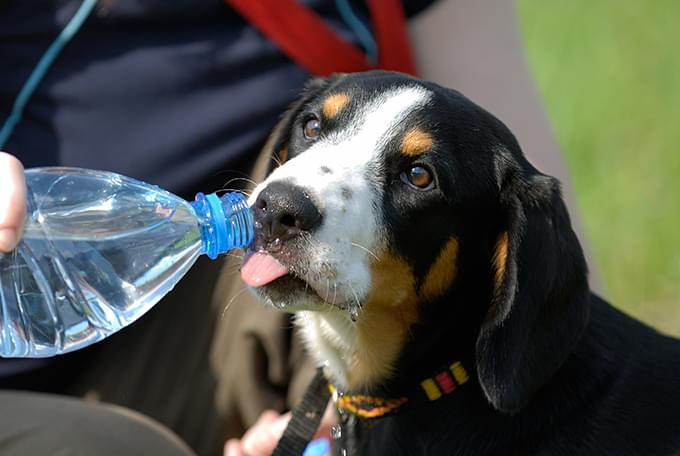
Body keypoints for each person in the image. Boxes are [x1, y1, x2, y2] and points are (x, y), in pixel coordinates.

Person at [1, 1, 596, 455]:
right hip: (26, 313)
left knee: (402, 328)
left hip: (167, 307)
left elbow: (512, 189)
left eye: (418, 175)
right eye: (315, 128)